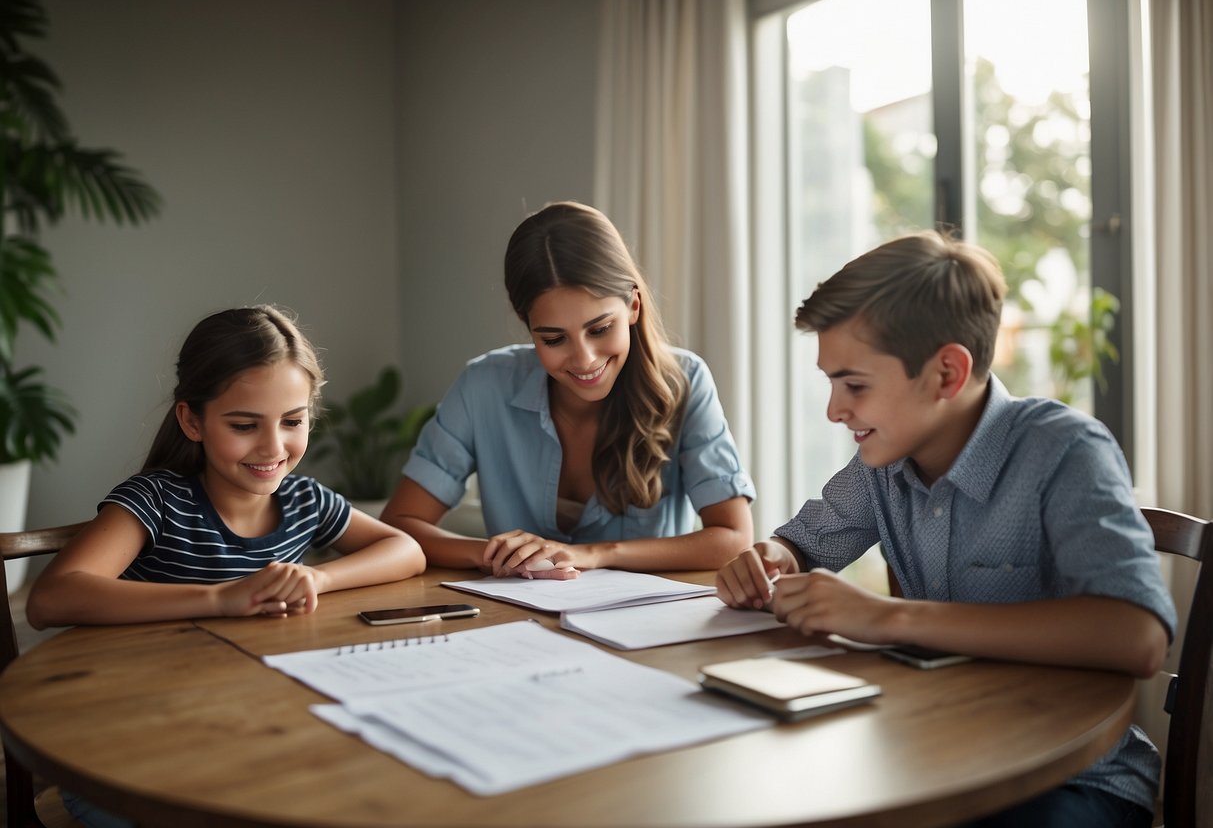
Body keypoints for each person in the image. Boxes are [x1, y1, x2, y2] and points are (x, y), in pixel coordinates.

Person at [715, 231, 1175, 827]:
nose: (834, 410)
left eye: (854, 385)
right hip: (930, 755)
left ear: (946, 373)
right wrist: (769, 558)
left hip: (1071, 779)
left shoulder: (1063, 451)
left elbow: (1138, 636)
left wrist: (890, 617)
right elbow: (802, 544)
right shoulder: (884, 461)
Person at [381, 201, 755, 579]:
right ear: (529, 328)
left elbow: (734, 538)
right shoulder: (483, 386)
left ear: (633, 306)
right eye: (554, 339)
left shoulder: (686, 381)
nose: (584, 359)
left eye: (599, 329)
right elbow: (401, 523)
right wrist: (504, 554)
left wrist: (593, 553)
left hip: (648, 629)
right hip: (513, 624)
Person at [27, 305, 426, 630]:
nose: (273, 448)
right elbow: (50, 599)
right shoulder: (155, 502)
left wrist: (320, 578)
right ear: (192, 422)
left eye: (292, 421)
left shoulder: (305, 501)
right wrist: (221, 597)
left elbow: (406, 550)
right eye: (244, 426)